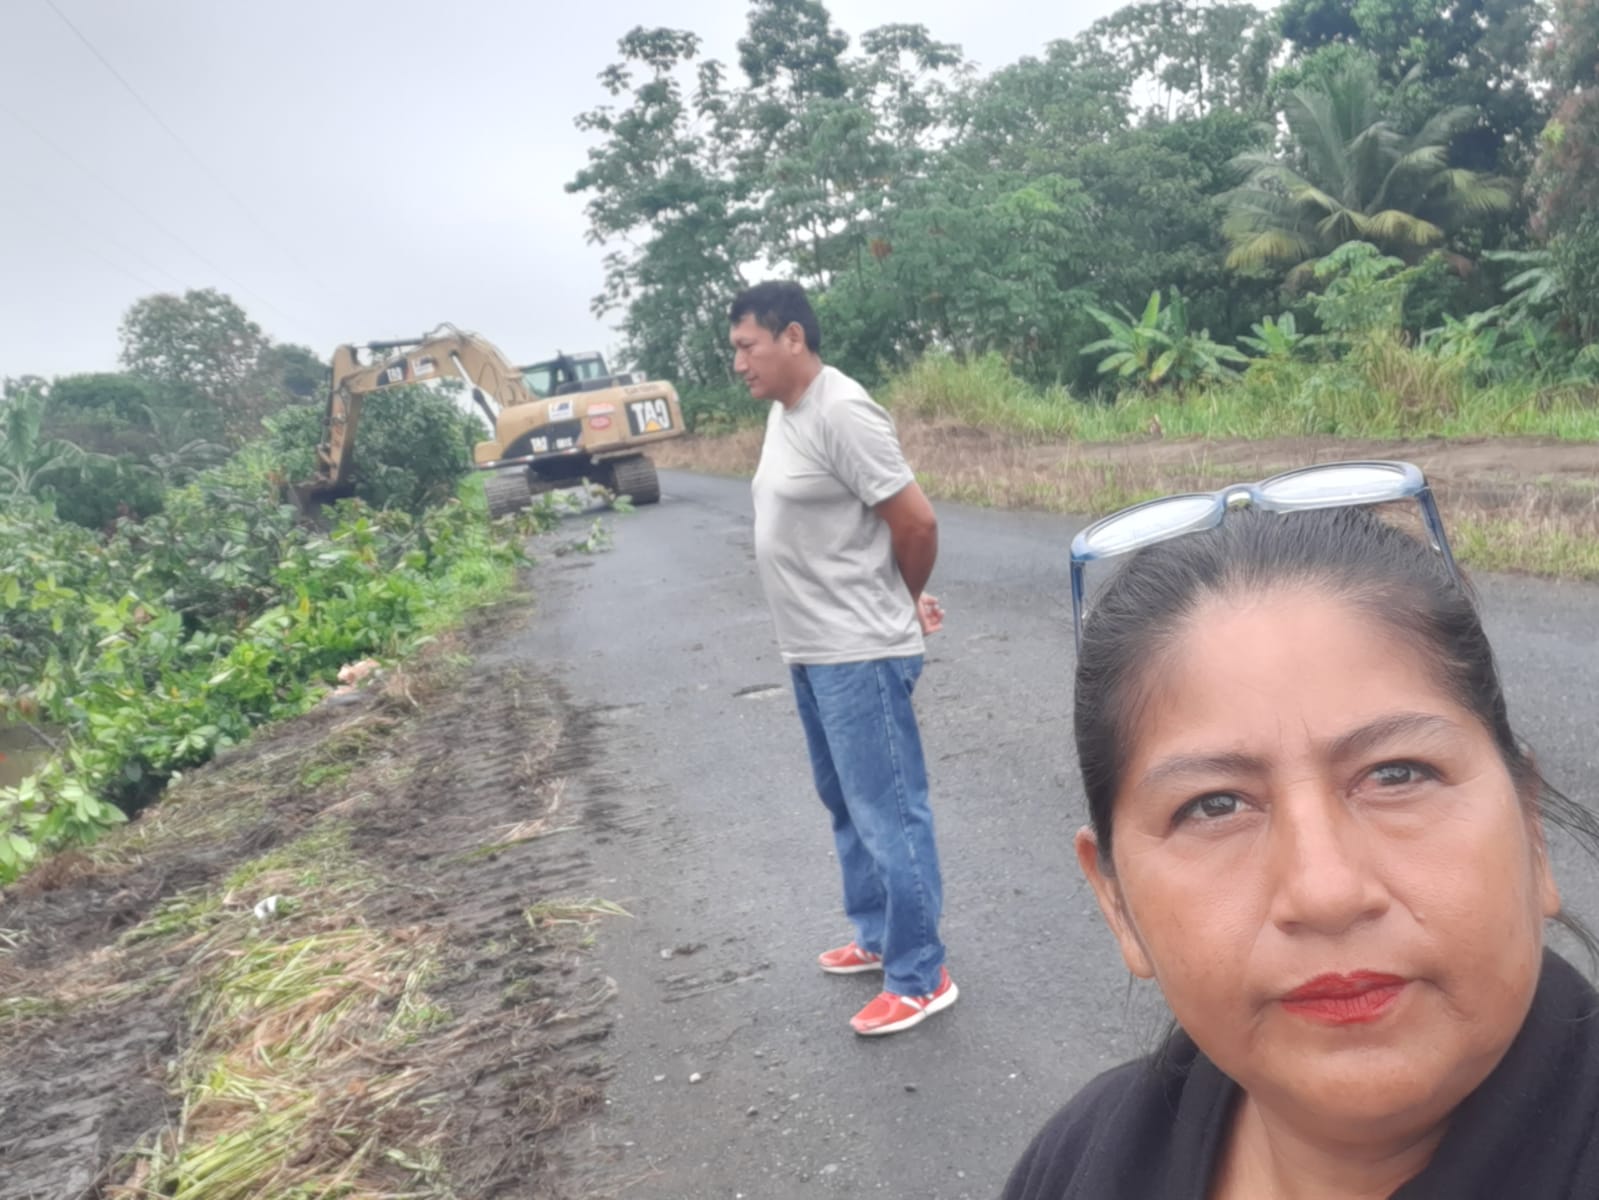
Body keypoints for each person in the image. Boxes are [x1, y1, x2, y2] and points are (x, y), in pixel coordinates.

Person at [1004, 463, 1599, 1199]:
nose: (1325, 893)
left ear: (1531, 829)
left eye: (1396, 774)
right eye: (1214, 806)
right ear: (1116, 901)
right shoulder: (1079, 1163)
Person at [730, 280, 957, 1037]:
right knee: (846, 804)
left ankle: (920, 975)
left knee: (888, 812)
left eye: (747, 346)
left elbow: (915, 522)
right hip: (811, 649)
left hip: (857, 651)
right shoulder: (784, 413)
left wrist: (901, 600)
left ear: (791, 337)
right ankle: (877, 935)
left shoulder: (842, 411)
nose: (739, 363)